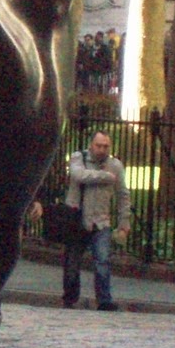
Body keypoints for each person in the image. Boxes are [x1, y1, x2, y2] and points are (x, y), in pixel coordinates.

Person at [62, 131, 132, 311]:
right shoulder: (79, 158)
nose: (102, 149)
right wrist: (106, 177)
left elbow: (123, 195)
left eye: (106, 146)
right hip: (78, 219)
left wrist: (124, 223)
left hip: (101, 221)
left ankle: (104, 299)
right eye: (98, 145)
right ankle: (70, 297)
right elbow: (78, 176)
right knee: (72, 262)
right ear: (91, 145)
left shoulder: (115, 165)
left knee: (102, 261)